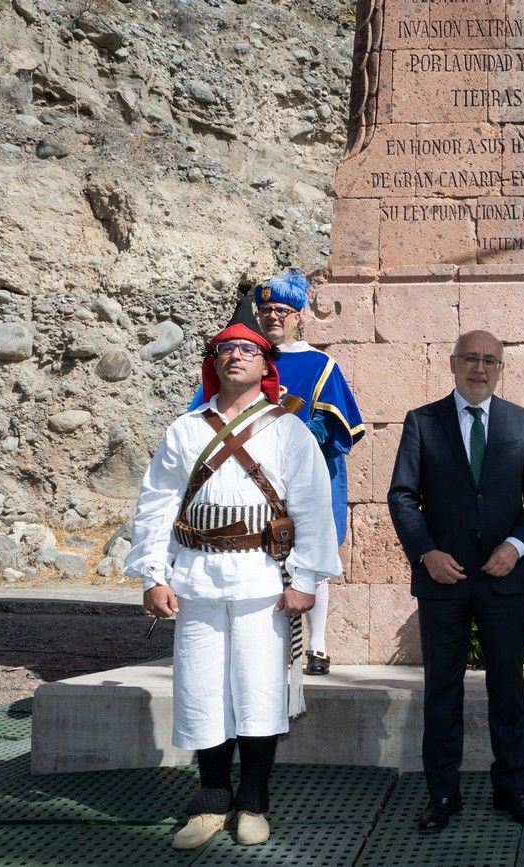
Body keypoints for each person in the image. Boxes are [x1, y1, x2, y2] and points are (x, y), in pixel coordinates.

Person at [126, 323, 340, 849]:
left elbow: (312, 507)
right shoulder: (185, 430)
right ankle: (211, 800)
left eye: (249, 350)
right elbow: (157, 504)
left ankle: (254, 802)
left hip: (262, 580)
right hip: (195, 576)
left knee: (259, 691)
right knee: (201, 692)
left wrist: (307, 579)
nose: (237, 356)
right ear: (213, 362)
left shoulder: (289, 431)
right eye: (226, 349)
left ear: (267, 365)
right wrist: (155, 573)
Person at [387, 330, 524, 834]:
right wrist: (426, 553)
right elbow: (402, 496)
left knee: (509, 688)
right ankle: (442, 792)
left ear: (501, 368)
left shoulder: (521, 423)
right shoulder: (422, 422)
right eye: (470, 359)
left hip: (505, 580)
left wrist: (516, 546)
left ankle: (512, 788)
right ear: (452, 363)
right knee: (442, 688)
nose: (479, 368)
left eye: (489, 360)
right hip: (444, 580)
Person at [191, 270, 365, 676]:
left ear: (299, 316)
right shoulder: (240, 357)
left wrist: (299, 435)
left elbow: (339, 426)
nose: (273, 317)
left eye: (282, 311)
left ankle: (316, 647)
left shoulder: (320, 365)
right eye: (266, 309)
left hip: (303, 475)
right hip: (243, 479)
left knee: (311, 554)